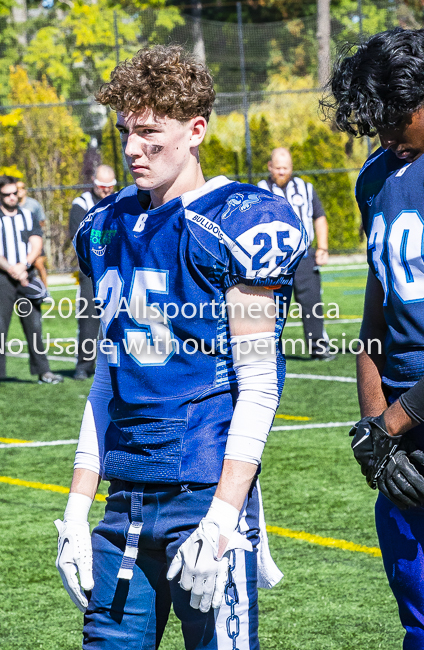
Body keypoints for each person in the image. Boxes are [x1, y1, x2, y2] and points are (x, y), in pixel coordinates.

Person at [55, 45, 307, 650]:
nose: (133, 149)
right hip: (124, 499)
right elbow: (105, 379)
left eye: (150, 133)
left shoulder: (240, 219)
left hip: (204, 489)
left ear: (196, 130)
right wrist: (76, 507)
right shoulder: (108, 227)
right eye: (125, 132)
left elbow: (260, 383)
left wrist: (223, 517)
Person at [326, 27, 424, 649]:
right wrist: (374, 430)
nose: (385, 133)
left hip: (407, 418)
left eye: (397, 116)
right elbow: (375, 304)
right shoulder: (376, 177)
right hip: (401, 429)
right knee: (417, 620)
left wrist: (394, 422)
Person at [0, 175, 63, 389]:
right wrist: (13, 270)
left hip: (27, 277)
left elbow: (36, 243)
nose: (12, 198)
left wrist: (24, 265)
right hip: (2, 279)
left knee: (34, 326)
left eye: (14, 193)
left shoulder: (28, 215)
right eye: (7, 194)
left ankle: (43, 371)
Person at [257, 149, 333, 360]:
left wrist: (323, 247)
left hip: (304, 256)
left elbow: (319, 217)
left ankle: (319, 348)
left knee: (312, 303)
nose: (282, 172)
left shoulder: (305, 188)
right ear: (270, 166)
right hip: (274, 260)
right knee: (272, 307)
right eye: (278, 167)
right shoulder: (259, 191)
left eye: (286, 168)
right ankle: (269, 351)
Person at [68, 164, 116, 381]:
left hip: (117, 267)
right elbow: (81, 238)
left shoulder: (122, 200)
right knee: (88, 316)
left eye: (109, 186)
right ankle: (84, 364)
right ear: (93, 183)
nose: (106, 190)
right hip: (91, 270)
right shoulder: (81, 204)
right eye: (101, 186)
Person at [16, 180, 49, 287]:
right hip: (19, 241)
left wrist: (34, 236)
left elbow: (41, 221)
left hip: (33, 240)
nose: (19, 191)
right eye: (17, 189)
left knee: (39, 264)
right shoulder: (12, 205)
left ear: (25, 190)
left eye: (21, 188)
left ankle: (45, 290)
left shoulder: (33, 204)